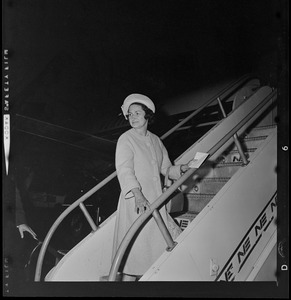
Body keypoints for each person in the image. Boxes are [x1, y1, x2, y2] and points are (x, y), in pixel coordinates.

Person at [112, 93, 190, 281]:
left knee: (154, 253)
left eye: (137, 113)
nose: (133, 117)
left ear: (147, 115)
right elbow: (124, 170)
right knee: (134, 258)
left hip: (155, 201)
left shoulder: (156, 140)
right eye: (130, 114)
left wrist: (183, 168)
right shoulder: (126, 139)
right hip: (136, 203)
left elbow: (166, 169)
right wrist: (138, 194)